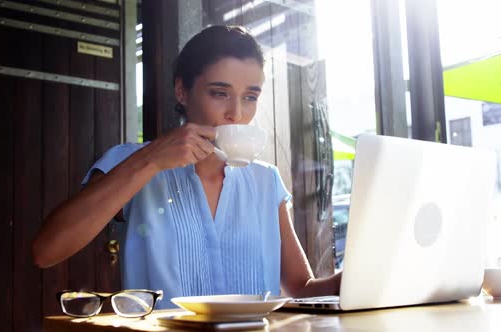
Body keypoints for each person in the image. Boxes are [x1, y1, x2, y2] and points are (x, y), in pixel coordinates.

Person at [32, 25, 341, 308]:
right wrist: (152, 159)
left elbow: (300, 287)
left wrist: (355, 279)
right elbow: (46, 251)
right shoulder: (132, 161)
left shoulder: (266, 181)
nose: (236, 113)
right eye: (219, 93)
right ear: (182, 91)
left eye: (250, 96)